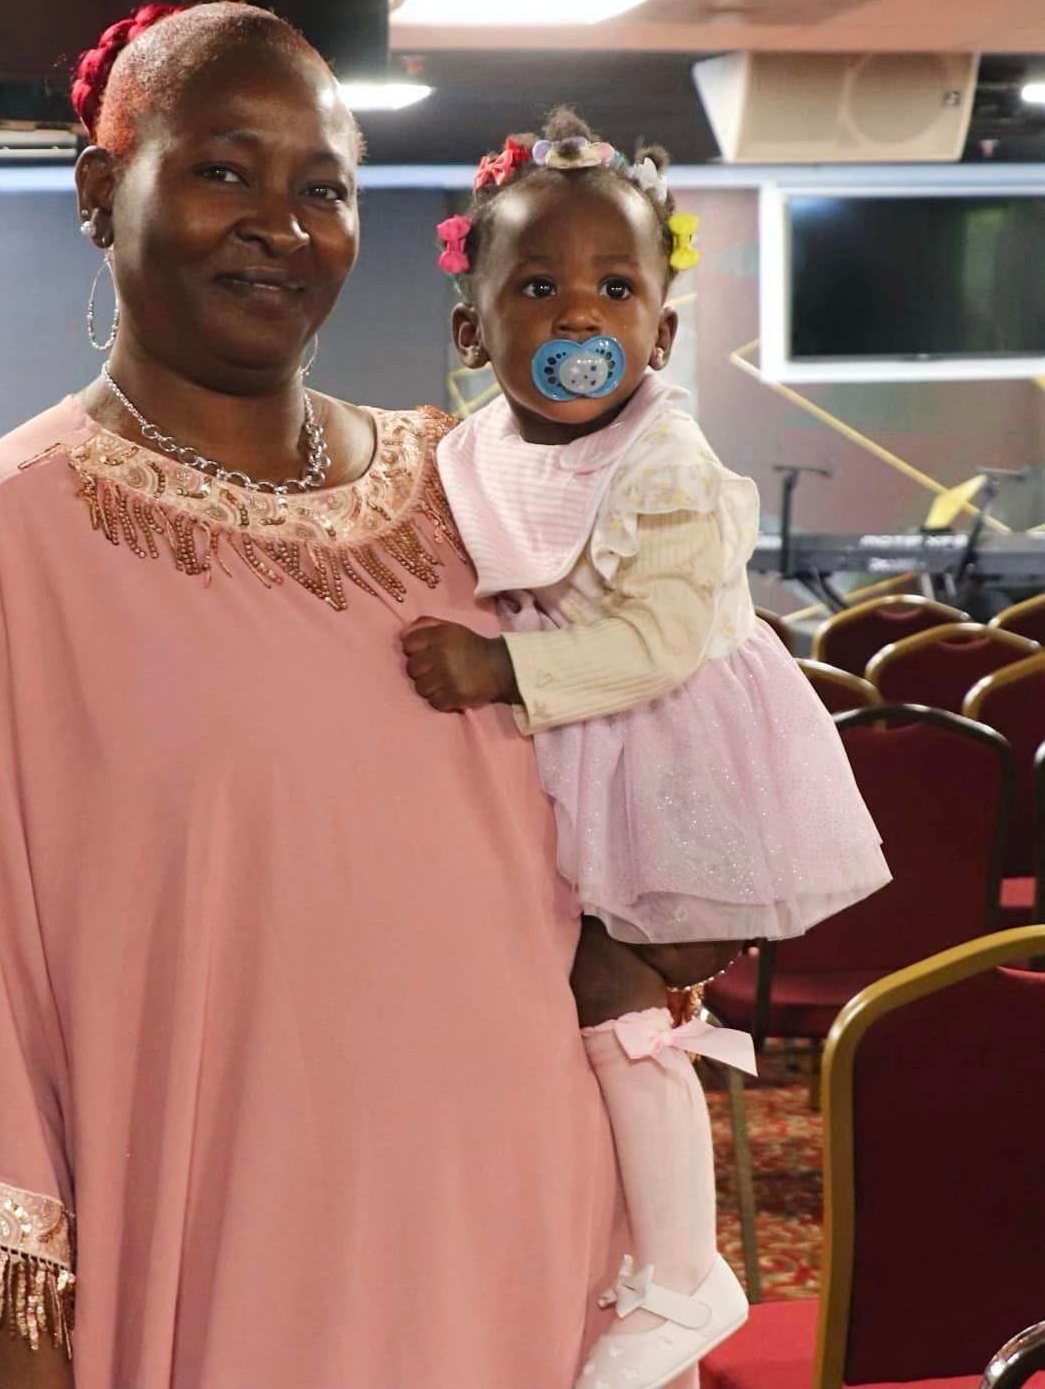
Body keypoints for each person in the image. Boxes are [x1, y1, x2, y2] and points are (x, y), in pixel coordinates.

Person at [0, 7, 658, 1389]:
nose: (280, 224)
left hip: (524, 1225)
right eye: (224, 170)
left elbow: (629, 798)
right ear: (103, 191)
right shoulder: (0, 532)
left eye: (321, 188)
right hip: (227, 1256)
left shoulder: (475, 494)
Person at [401, 111, 890, 1389]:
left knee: (614, 989)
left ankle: (683, 1270)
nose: (579, 317)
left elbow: (661, 644)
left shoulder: (661, 462)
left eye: (614, 289)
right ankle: (635, 1251)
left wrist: (499, 669)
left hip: (681, 766)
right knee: (576, 997)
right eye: (537, 289)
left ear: (660, 334)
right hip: (589, 759)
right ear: (472, 331)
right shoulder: (478, 445)